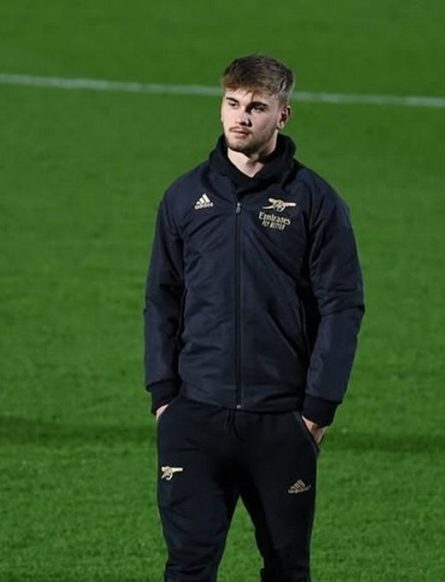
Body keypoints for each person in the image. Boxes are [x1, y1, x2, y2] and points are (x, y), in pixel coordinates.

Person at [144, 54, 365, 581]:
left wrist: (317, 409)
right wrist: (164, 397)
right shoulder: (184, 197)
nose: (241, 117)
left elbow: (342, 305)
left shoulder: (315, 201)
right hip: (195, 417)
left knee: (286, 568)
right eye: (232, 103)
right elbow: (162, 298)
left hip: (280, 420)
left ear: (282, 115)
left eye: (256, 107)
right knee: (188, 567)